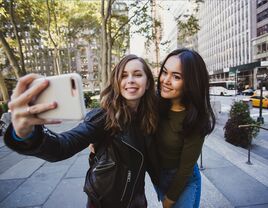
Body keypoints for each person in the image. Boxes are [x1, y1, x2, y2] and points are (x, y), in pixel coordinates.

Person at [3, 54, 159, 208]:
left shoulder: (150, 115)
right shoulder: (104, 117)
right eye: (124, 76)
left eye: (137, 75)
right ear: (116, 82)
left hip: (137, 201)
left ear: (147, 83)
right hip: (103, 202)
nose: (130, 79)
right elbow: (62, 146)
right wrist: (26, 134)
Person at [154, 48, 216, 208]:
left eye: (176, 76)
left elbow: (185, 169)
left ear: (190, 83)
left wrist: (170, 198)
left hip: (184, 180)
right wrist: (102, 136)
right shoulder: (154, 104)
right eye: (165, 72)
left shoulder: (195, 119)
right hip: (160, 176)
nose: (166, 80)